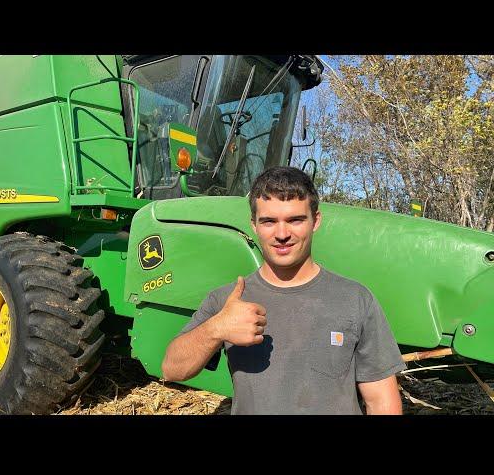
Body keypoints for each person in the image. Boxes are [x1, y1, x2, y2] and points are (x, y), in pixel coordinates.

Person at [161, 166, 406, 414]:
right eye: (268, 221)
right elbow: (172, 369)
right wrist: (217, 328)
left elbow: (381, 400)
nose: (281, 234)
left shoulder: (355, 299)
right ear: (254, 225)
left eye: (295, 220)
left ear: (315, 221)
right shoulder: (228, 300)